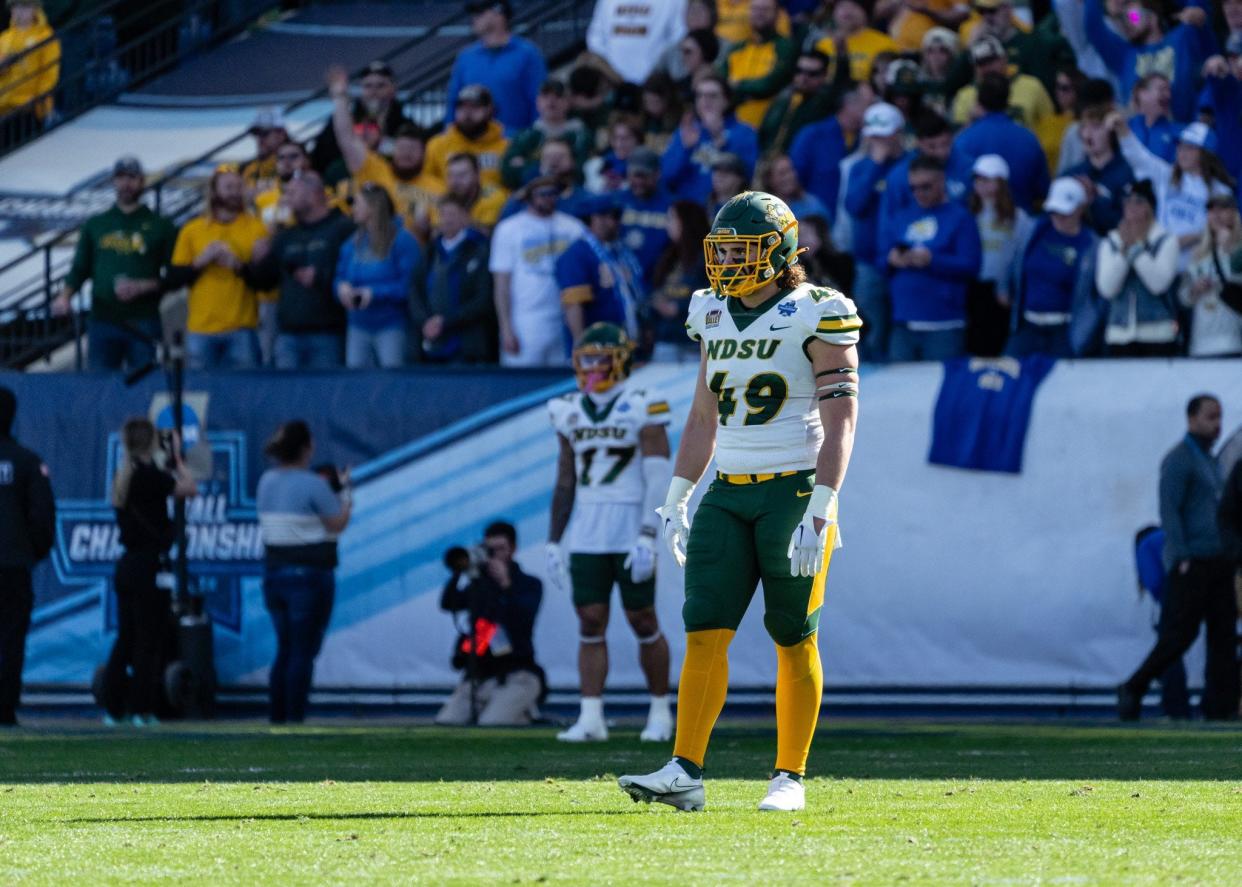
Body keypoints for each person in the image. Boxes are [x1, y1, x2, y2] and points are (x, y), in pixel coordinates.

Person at [618, 190, 861, 813]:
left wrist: (823, 505)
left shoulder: (819, 310)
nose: (726, 259)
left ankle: (790, 776)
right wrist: (677, 495)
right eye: (721, 247)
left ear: (779, 252)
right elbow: (703, 414)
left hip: (793, 489)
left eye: (740, 248)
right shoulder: (712, 310)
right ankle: (684, 770)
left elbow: (843, 421)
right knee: (703, 627)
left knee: (792, 633)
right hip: (727, 491)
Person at [546, 324, 674, 742]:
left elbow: (658, 476)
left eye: (601, 358)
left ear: (622, 360)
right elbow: (565, 479)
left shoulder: (643, 402)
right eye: (586, 359)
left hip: (630, 523)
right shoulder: (567, 408)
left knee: (642, 618)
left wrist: (648, 533)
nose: (592, 367)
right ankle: (590, 717)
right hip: (587, 528)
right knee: (590, 618)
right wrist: (553, 539)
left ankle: (659, 711)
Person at [1119, 395, 1239, 721]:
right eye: (1210, 417)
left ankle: (1220, 705)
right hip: (1192, 562)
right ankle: (1134, 686)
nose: (1217, 425)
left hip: (1218, 560)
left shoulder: (1211, 461)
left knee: (1223, 637)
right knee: (1178, 636)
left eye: (1220, 418)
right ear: (1191, 419)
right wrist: (1181, 554)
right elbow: (1169, 510)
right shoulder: (1179, 459)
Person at [100, 418, 196, 727]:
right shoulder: (150, 477)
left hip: (126, 566)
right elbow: (189, 488)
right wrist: (178, 459)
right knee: (148, 640)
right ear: (151, 442)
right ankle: (142, 709)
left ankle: (114, 707)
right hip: (148, 567)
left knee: (126, 637)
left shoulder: (123, 476)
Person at [256, 420, 352, 724]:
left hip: (275, 574)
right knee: (302, 651)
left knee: (285, 649)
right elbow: (337, 524)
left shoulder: (267, 480)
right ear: (306, 448)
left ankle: (277, 719)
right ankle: (294, 719)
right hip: (308, 576)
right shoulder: (313, 484)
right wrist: (346, 493)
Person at [55, 156, 176, 372]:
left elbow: (176, 274)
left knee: (145, 385)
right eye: (120, 177)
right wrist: (65, 297)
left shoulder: (161, 226)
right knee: (100, 389)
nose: (126, 184)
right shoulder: (96, 224)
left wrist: (145, 286)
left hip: (143, 320)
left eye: (132, 177)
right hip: (102, 320)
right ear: (113, 182)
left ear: (142, 181)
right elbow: (80, 268)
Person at [435, 521, 543, 726]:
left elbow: (524, 615)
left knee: (491, 724)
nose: (494, 555)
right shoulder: (480, 586)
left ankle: (524, 712)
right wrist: (460, 569)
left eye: (500, 549)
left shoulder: (529, 584)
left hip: (516, 675)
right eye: (489, 550)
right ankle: (518, 714)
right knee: (447, 723)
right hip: (480, 676)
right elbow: (449, 603)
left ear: (513, 549)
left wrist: (505, 584)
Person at [246, 171, 354, 370]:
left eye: (292, 193)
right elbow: (265, 281)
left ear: (314, 194)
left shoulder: (343, 228)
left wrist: (320, 277)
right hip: (288, 334)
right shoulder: (285, 236)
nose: (285, 199)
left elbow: (356, 273)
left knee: (326, 395)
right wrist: (257, 261)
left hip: (328, 333)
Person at [881, 155, 983, 362]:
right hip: (903, 322)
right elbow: (881, 259)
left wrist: (932, 260)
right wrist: (891, 260)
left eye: (925, 186)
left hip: (943, 324)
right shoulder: (902, 216)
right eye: (913, 187)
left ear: (941, 181)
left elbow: (972, 265)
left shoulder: (960, 218)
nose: (918, 193)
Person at [168, 166, 269, 369]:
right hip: (200, 329)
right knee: (199, 392)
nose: (235, 192)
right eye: (228, 187)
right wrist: (201, 261)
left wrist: (237, 265)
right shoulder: (192, 229)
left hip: (242, 328)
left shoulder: (257, 227)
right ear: (214, 192)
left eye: (239, 186)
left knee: (245, 392)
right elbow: (174, 279)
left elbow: (265, 281)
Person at [0, 386, 55, 728]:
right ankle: (4, 707)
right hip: (13, 566)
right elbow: (43, 517)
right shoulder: (27, 461)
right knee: (11, 637)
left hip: (16, 561)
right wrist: (30, 552)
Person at [1113, 116, 1236, 268]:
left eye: (1190, 148)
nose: (1182, 152)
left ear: (1205, 154)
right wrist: (1122, 130)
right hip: (1160, 265)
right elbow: (1138, 157)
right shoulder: (1166, 176)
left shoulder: (1221, 191)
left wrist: (1193, 238)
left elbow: (1223, 233)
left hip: (1195, 270)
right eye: (1180, 146)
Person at [490, 176, 586, 366]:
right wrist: (506, 328)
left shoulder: (574, 227)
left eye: (553, 193)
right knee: (522, 382)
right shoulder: (508, 229)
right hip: (526, 322)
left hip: (563, 321)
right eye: (542, 194)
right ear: (528, 196)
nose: (548, 198)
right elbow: (501, 285)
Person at [1006, 176, 1098, 358]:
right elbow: (1015, 262)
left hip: (1063, 331)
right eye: (1055, 211)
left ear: (1080, 208)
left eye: (1065, 212)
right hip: (1028, 327)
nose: (1059, 217)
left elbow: (1094, 295)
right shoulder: (1035, 231)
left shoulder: (1091, 245)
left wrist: (1084, 330)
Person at [844, 101, 906, 362]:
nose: (879, 142)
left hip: (902, 261)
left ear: (898, 134)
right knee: (870, 328)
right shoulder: (859, 167)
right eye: (874, 137)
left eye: (885, 136)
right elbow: (855, 206)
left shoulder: (911, 166)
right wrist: (875, 164)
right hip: (868, 262)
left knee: (901, 330)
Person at [1083, 0, 1214, 123]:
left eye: (1133, 16)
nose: (1126, 21)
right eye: (1121, 19)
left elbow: (1198, 9)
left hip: (1186, 135)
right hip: (1142, 141)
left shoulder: (1183, 38)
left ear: (1153, 15)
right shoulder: (1124, 56)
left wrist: (1196, 15)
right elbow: (1094, 28)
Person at [334, 183, 420, 369]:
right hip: (357, 325)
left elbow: (411, 286)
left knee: (393, 381)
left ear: (373, 207)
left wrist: (374, 293)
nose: (353, 209)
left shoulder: (403, 241)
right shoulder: (353, 242)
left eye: (357, 203)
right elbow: (340, 275)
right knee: (357, 386)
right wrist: (341, 288)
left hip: (392, 325)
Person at [1094, 178, 1181, 357]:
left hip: (1158, 334)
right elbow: (1107, 288)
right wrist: (1123, 253)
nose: (1132, 207)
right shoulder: (1111, 241)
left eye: (1139, 202)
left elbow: (1158, 284)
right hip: (1118, 334)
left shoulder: (1166, 240)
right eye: (1127, 202)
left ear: (1151, 207)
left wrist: (1135, 248)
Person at [409, 194, 496, 363]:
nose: (446, 220)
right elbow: (415, 290)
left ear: (465, 217)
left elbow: (483, 299)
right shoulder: (430, 251)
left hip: (468, 344)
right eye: (443, 214)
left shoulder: (480, 249)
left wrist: (446, 321)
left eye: (452, 214)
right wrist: (425, 321)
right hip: (432, 341)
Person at [953, 73, 1051, 213]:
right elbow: (1042, 190)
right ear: (1008, 100)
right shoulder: (1028, 138)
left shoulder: (964, 139)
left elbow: (957, 190)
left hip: (978, 224)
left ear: (978, 101)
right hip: (1020, 224)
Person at [556, 196, 644, 346]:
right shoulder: (577, 254)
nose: (614, 222)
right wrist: (581, 345)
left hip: (626, 340)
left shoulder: (620, 251)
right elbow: (574, 304)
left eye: (617, 216)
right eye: (608, 216)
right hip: (599, 346)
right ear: (592, 219)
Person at [447, 0, 546, 133]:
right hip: (470, 145)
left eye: (480, 13)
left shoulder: (528, 54)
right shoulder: (466, 56)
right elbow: (453, 101)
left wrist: (532, 141)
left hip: (513, 143)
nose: (474, 18)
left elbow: (538, 101)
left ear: (499, 13)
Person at [967, 154, 1031, 355]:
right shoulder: (968, 213)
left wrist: (1008, 288)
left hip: (1001, 291)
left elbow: (1020, 256)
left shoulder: (1018, 218)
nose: (982, 185)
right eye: (978, 180)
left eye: (988, 180)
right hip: (972, 288)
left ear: (1001, 182)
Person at [661, 72, 759, 205]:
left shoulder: (744, 133)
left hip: (723, 211)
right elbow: (666, 177)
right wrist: (685, 150)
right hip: (686, 209)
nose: (705, 101)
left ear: (726, 100)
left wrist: (719, 140)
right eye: (700, 95)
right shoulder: (686, 131)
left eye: (712, 96)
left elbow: (746, 176)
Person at [788, 83, 872, 228]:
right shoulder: (812, 136)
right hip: (817, 230)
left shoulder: (871, 141)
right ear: (850, 104)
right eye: (869, 104)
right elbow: (794, 182)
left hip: (856, 232)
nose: (873, 110)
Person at [310, 60, 412, 175]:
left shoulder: (407, 127)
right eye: (368, 86)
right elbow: (322, 156)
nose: (374, 91)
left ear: (393, 89)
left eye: (381, 85)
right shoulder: (343, 122)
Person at [1178, 194, 1242, 358]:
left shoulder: (1238, 251)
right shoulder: (1198, 254)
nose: (1216, 215)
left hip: (1233, 340)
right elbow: (1183, 297)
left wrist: (1226, 250)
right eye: (1212, 210)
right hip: (1201, 342)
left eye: (1223, 209)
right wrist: (1195, 289)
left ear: (1234, 214)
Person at [950, 35, 1056, 135]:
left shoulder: (1032, 86)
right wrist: (971, 121)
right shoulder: (965, 95)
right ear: (974, 68)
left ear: (1004, 58)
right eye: (981, 64)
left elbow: (1051, 126)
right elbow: (958, 140)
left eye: (991, 61)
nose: (987, 68)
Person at [501, 79, 592, 191]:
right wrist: (551, 164)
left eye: (558, 96)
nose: (551, 101)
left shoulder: (582, 135)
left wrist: (528, 164)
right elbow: (508, 174)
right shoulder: (525, 136)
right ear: (537, 102)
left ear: (568, 102)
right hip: (534, 197)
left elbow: (586, 170)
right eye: (545, 96)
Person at [716, 0, 794, 130]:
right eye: (755, 9)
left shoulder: (785, 48)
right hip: (727, 124)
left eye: (765, 9)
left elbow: (768, 85)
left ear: (777, 14)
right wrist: (748, 88)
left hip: (764, 126)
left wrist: (737, 85)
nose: (759, 13)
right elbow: (719, 83)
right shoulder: (737, 48)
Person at [648, 200, 710, 362]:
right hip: (666, 341)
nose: (667, 224)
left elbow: (713, 297)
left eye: (671, 219)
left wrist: (678, 308)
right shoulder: (668, 257)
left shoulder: (708, 258)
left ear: (687, 222)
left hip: (695, 345)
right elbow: (655, 291)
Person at [1064, 105, 1137, 235]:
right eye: (1084, 127)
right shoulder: (1071, 174)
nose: (1087, 134)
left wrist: (1095, 200)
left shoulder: (1128, 174)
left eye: (1095, 127)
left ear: (1111, 133)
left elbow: (1128, 223)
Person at [758, 48, 846, 155]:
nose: (803, 78)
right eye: (799, 71)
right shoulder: (781, 100)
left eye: (812, 74)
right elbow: (764, 133)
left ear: (824, 76)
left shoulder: (825, 106)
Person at [425, 84, 510, 193]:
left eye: (475, 107)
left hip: (493, 207)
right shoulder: (437, 145)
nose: (467, 113)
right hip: (450, 205)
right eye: (461, 107)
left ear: (489, 110)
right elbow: (426, 183)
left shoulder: (506, 147)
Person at [586, 0, 686, 85]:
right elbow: (595, 38)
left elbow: (679, 35)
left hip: (656, 83)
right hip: (612, 83)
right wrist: (610, 73)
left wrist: (657, 70)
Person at [0, 0, 59, 143]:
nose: (20, 11)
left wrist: (37, 98)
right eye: (16, 7)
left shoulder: (45, 36)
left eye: (25, 7)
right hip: (4, 105)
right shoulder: (4, 38)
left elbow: (49, 74)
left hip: (29, 107)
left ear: (35, 10)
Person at [617, 147, 674, 289]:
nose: (638, 181)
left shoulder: (672, 206)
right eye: (633, 175)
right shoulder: (616, 202)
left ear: (657, 174)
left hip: (658, 285)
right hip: (622, 285)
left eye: (643, 176)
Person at [812, 0, 898, 83]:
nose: (846, 11)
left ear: (865, 12)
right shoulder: (823, 44)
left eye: (853, 6)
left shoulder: (884, 43)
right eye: (842, 5)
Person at [758, 153, 829, 223]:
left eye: (790, 170)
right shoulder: (759, 211)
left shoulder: (812, 206)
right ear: (768, 179)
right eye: (782, 173)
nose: (789, 177)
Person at [1128, 73, 1180, 164]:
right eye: (1162, 89)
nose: (1168, 95)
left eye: (1169, 90)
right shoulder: (1125, 129)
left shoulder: (1178, 133)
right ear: (1143, 94)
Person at [241, 108, 288, 198]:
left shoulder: (295, 163)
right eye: (257, 134)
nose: (259, 139)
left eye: (264, 133)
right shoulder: (248, 168)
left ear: (281, 134)